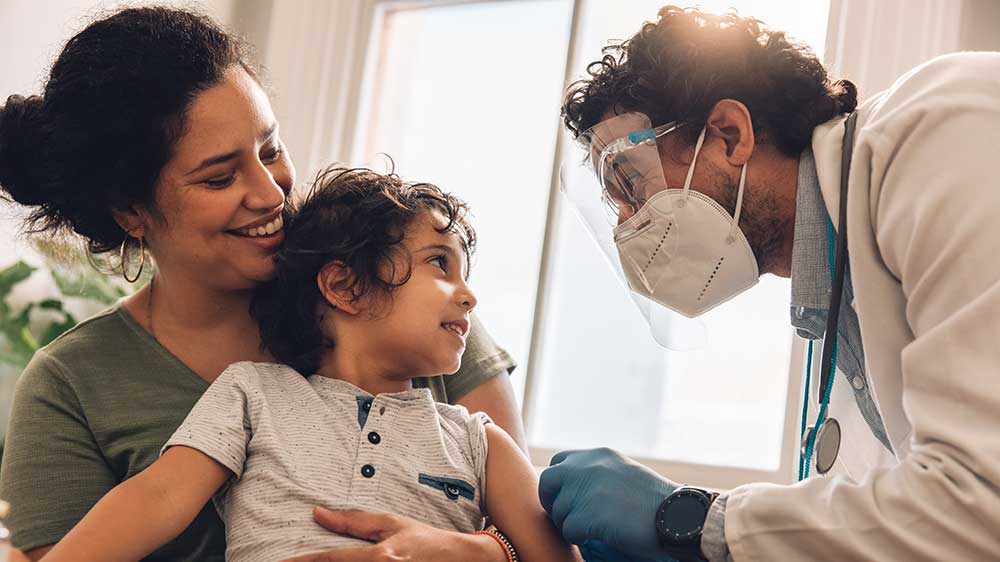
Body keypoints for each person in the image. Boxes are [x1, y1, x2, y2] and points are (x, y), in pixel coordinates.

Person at [0, 7, 523, 562]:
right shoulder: (71, 386)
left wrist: (481, 553)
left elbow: (524, 522)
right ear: (132, 211)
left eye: (270, 149)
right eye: (221, 177)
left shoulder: (403, 297)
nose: (270, 193)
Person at [540, 5, 1000, 562]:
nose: (627, 227)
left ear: (730, 135)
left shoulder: (936, 133)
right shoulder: (836, 309)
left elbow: (979, 505)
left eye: (633, 184)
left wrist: (690, 519)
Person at [32, 166, 579, 562]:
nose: (468, 297)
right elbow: (159, 495)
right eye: (440, 264)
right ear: (344, 286)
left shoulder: (481, 443)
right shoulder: (251, 394)